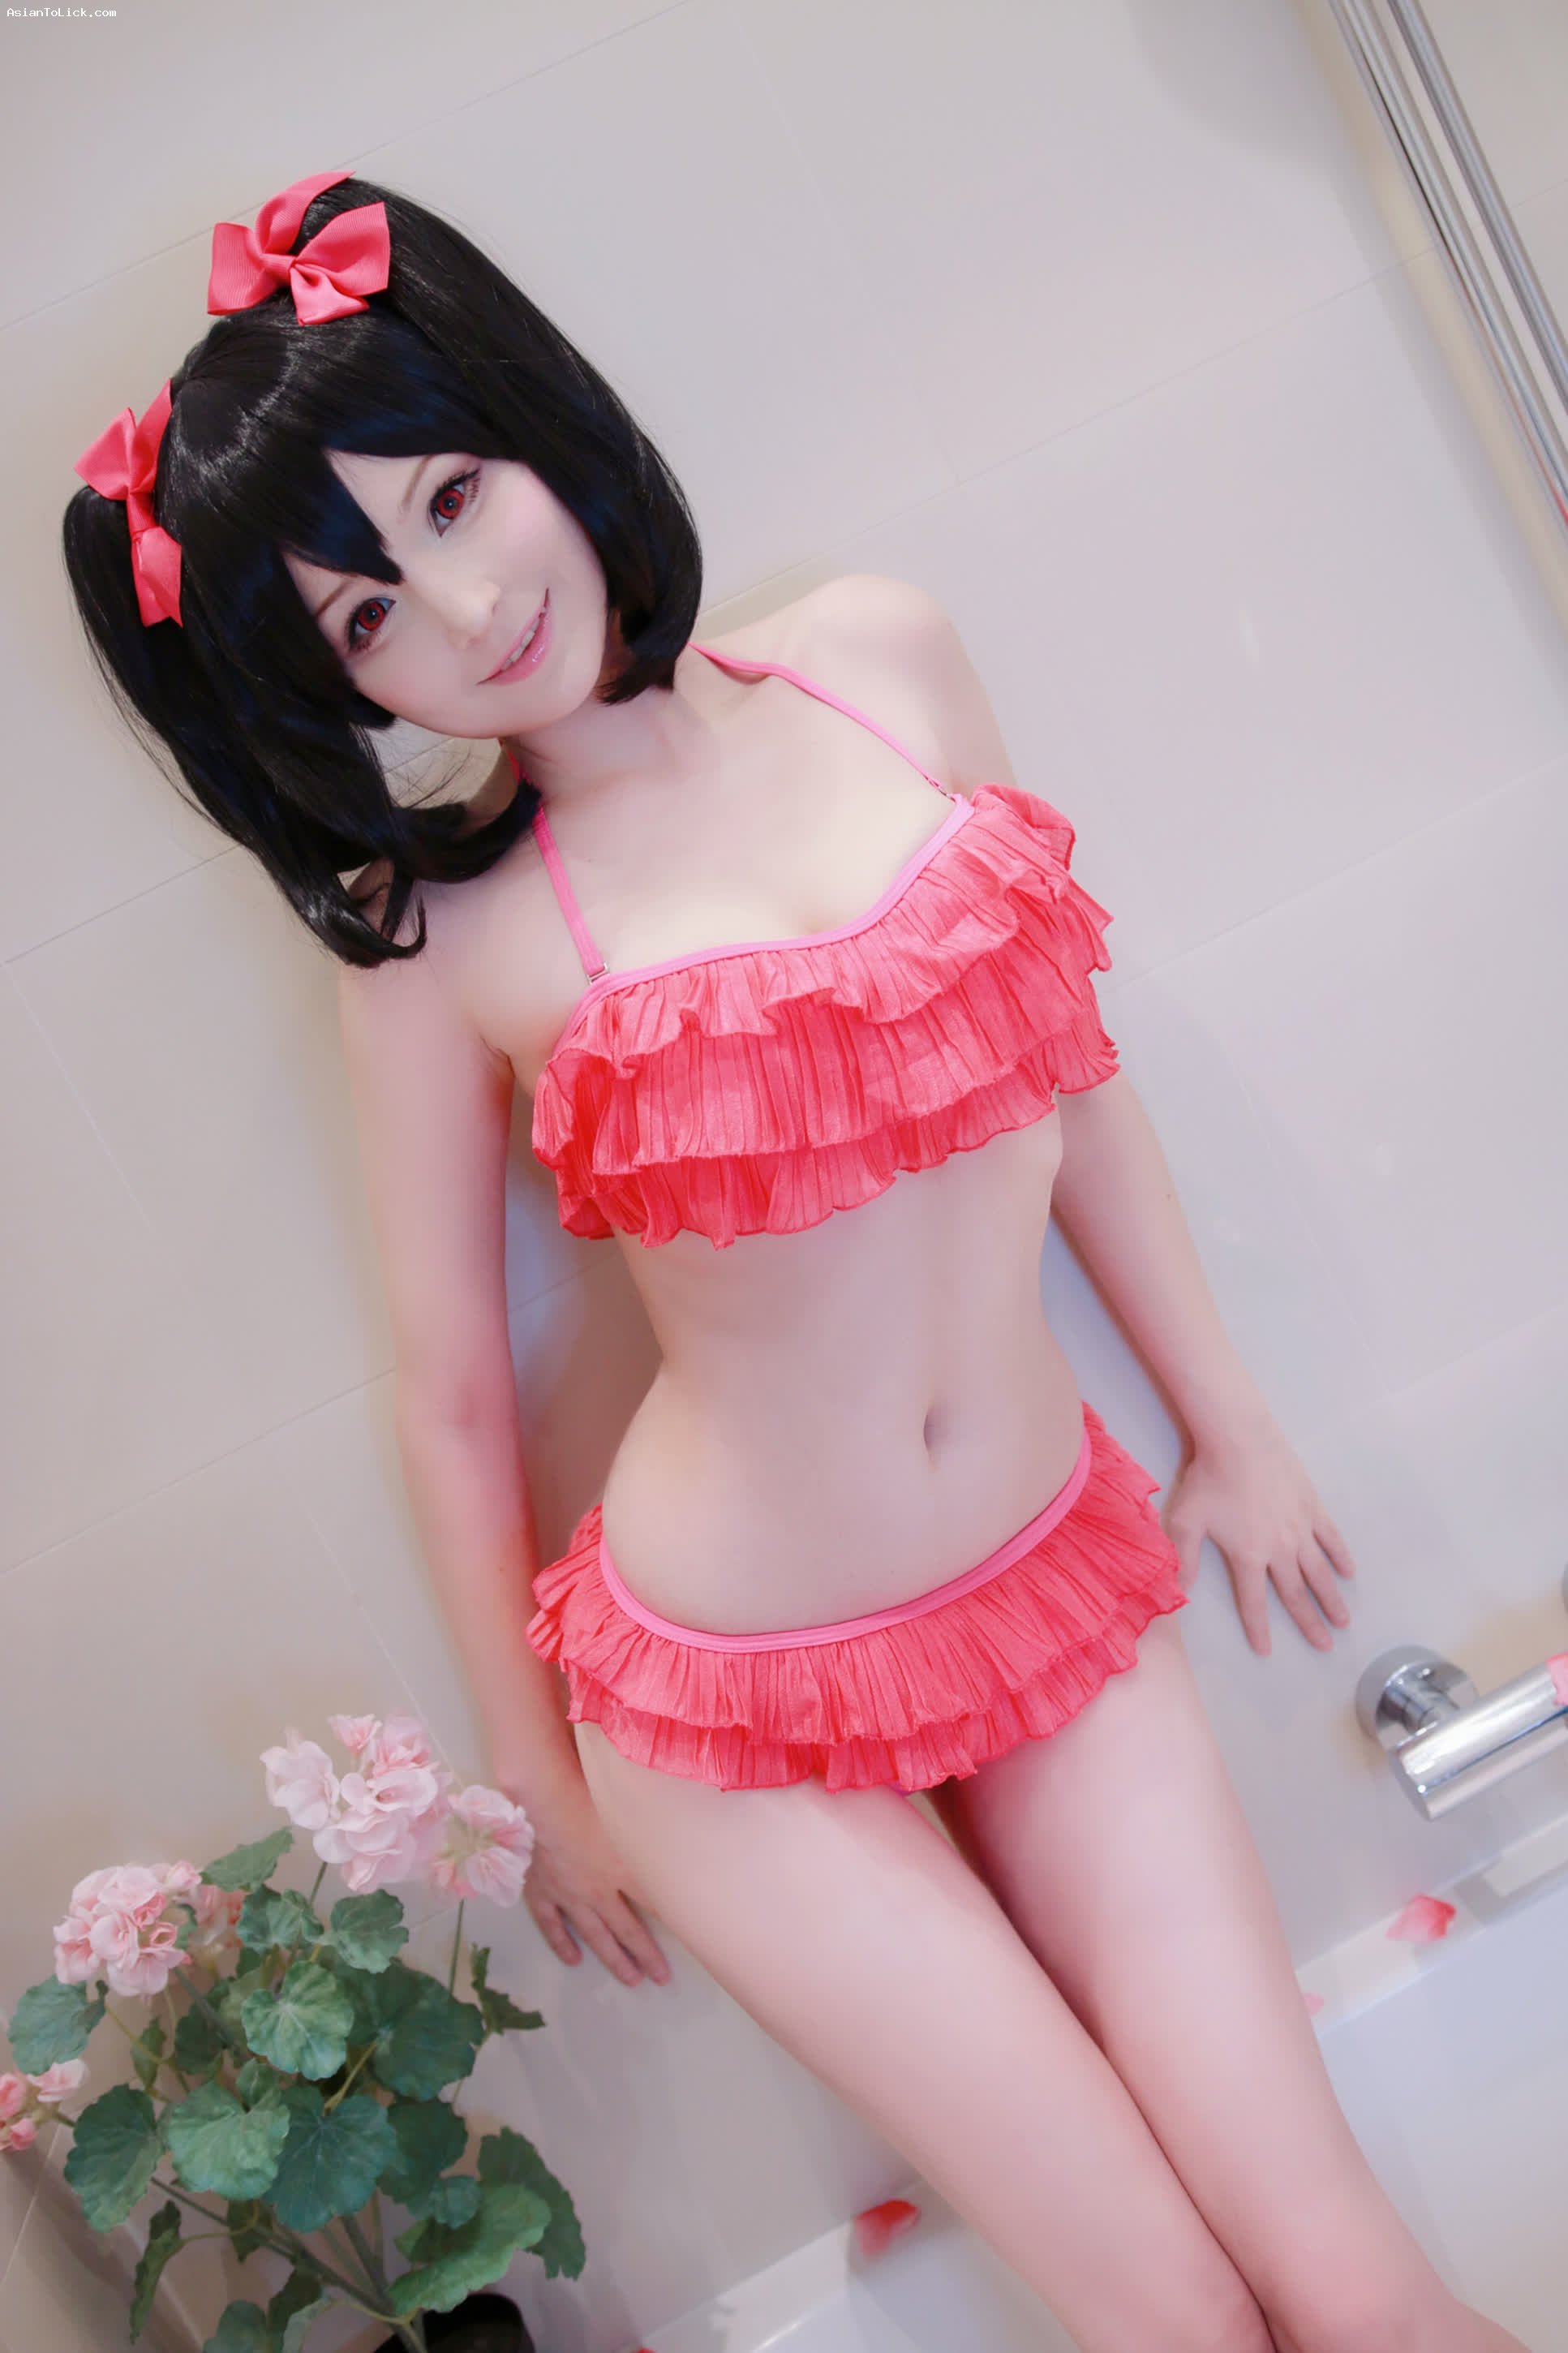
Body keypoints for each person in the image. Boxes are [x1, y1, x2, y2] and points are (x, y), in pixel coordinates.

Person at [62, 170, 1527, 2353]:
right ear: (334, 693)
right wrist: (543, 1778)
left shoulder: (876, 659)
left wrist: (1224, 1417)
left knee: (1359, 2289)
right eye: (370, 620)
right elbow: (451, 1391)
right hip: (734, 1719)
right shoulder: (438, 942)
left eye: (454, 497)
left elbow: (1071, 1061)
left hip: (1049, 1577)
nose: (468, 604)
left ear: (535, 425)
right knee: (1181, 2323)